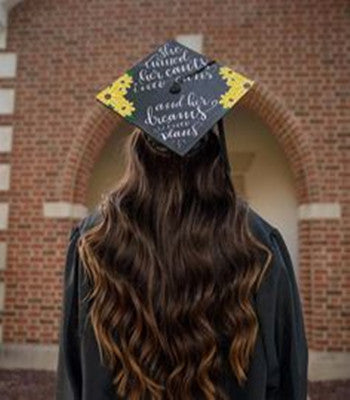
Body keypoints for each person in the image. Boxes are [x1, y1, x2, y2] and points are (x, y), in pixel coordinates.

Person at [56, 39, 308, 399]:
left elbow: (73, 375)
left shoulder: (95, 241)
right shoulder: (256, 241)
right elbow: (287, 376)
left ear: (140, 152)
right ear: (214, 153)